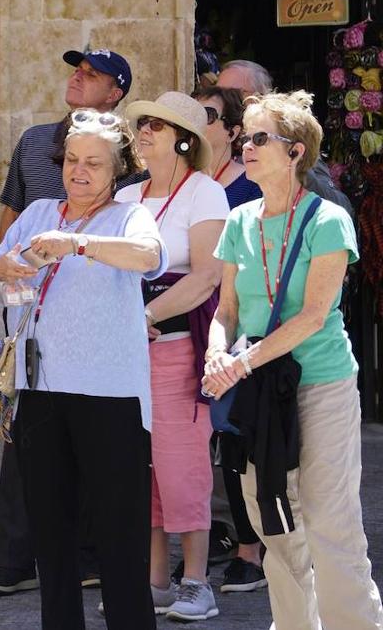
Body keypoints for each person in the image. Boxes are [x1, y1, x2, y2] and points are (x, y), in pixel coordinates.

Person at [0, 109, 166, 629]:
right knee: (52, 542)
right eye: (72, 160)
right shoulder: (38, 210)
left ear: (117, 171)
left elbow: (148, 256)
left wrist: (78, 244)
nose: (79, 171)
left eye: (94, 163)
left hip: (111, 397)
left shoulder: (129, 214)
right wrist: (7, 266)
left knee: (119, 539)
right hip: (38, 391)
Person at [203, 90, 383, 630]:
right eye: (244, 136)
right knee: (274, 522)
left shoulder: (328, 220)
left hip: (320, 383)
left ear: (296, 151)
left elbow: (311, 316)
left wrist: (241, 361)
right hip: (260, 389)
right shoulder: (238, 222)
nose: (246, 146)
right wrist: (216, 349)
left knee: (331, 525)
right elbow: (226, 309)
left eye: (259, 138)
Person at [117, 92, 229, 621]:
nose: (142, 133)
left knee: (182, 465)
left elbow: (207, 276)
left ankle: (197, 582)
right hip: (123, 354)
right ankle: (155, 581)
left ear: (183, 139)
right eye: (141, 125)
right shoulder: (127, 196)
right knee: (142, 469)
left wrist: (146, 316)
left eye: (156, 126)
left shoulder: (204, 192)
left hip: (179, 348)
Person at [192, 84, 268, 594]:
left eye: (209, 115)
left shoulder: (247, 189)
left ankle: (251, 549)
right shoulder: (193, 184)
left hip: (234, 323)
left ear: (233, 130)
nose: (198, 122)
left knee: (236, 434)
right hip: (192, 321)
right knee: (200, 441)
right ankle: (213, 540)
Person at [217, 60, 350, 212]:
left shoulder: (284, 143)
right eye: (217, 92)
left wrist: (292, 164)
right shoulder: (210, 144)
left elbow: (339, 205)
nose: (220, 101)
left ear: (256, 99)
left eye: (230, 94)